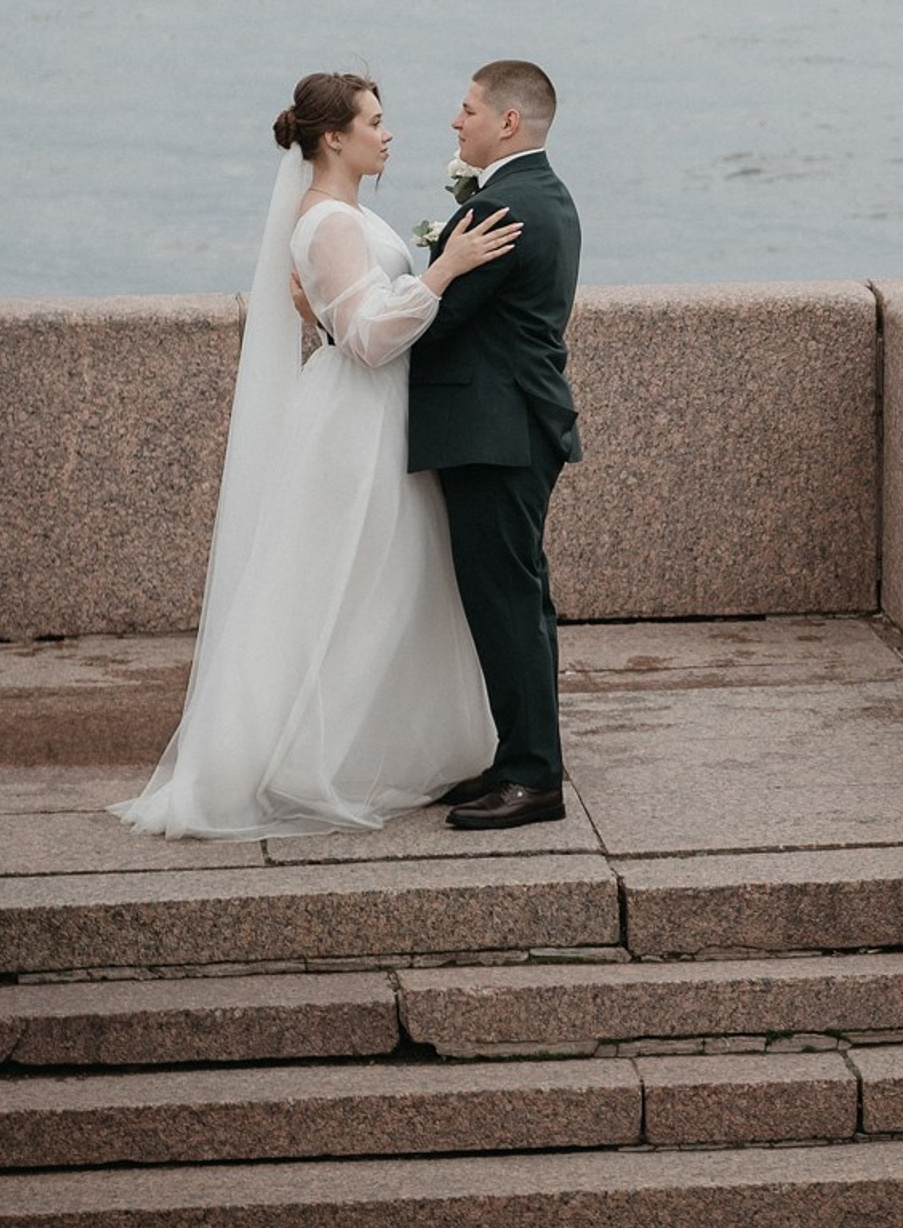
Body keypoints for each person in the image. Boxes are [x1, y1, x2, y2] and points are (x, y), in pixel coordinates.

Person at [114, 75, 520, 839]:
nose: (388, 134)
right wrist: (446, 267)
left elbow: (346, 317)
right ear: (334, 138)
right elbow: (366, 340)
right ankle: (304, 761)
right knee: (351, 587)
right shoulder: (330, 220)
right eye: (374, 121)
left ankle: (376, 747)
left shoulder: (344, 215)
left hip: (378, 410)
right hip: (359, 421)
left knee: (385, 586)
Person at [411, 60, 583, 830]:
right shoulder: (546, 194)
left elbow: (434, 321)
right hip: (519, 425)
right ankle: (521, 757)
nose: (457, 121)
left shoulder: (500, 209)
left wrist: (352, 317)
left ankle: (533, 778)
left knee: (506, 602)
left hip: (494, 432)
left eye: (469, 108)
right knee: (520, 599)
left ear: (508, 122)